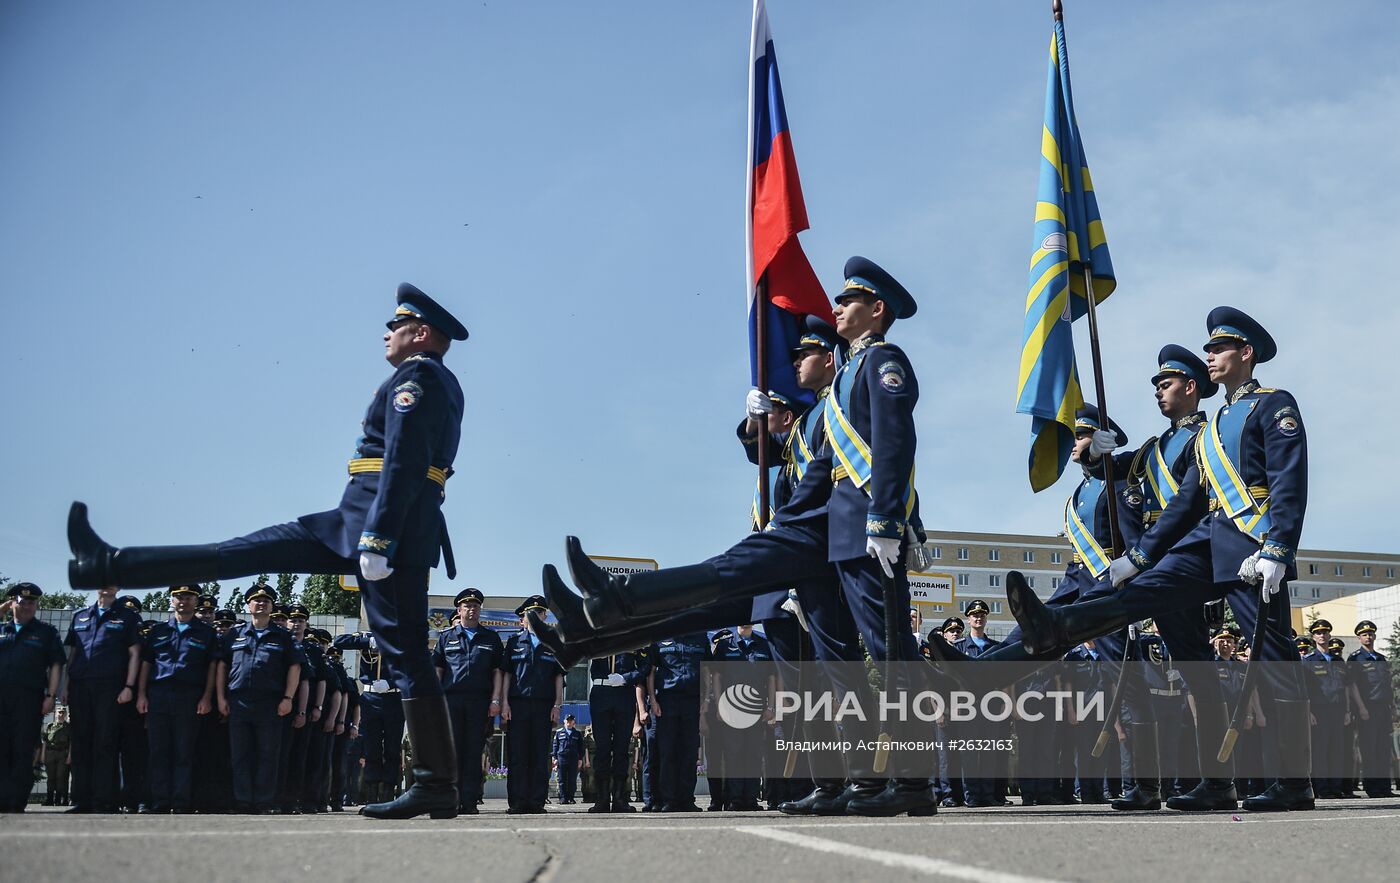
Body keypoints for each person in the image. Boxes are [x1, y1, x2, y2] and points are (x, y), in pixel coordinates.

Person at [65, 282, 468, 820]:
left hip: (381, 535)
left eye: (394, 326)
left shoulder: (419, 378)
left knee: (408, 657)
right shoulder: (428, 379)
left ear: (419, 333)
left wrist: (378, 538)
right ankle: (108, 563)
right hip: (347, 525)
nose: (385, 334)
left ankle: (436, 785)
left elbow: (404, 459)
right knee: (239, 553)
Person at [1010, 307, 1312, 812]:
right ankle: (1057, 624)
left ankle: (1295, 782)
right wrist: (1140, 556)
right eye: (1209, 349)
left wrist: (1277, 547)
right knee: (1136, 595)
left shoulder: (1272, 405)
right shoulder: (1213, 428)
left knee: (1274, 661)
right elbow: (1189, 500)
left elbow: (1288, 478)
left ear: (1246, 354)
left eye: (1218, 349)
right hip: (1205, 540)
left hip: (1251, 544)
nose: (1210, 355)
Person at [216, 584, 301, 813]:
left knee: (268, 754)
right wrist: (221, 697)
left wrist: (288, 698)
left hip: (270, 702)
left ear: (272, 606)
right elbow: (222, 665)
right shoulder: (235, 633)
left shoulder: (283, 636)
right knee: (240, 754)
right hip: (238, 701)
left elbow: (294, 667)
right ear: (248, 605)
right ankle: (242, 801)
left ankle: (264, 801)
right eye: (256, 600)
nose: (261, 604)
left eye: (266, 601)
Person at [136, 583, 221, 813]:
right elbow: (147, 664)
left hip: (190, 697)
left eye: (189, 597)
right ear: (172, 600)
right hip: (159, 695)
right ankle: (160, 801)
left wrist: (207, 697)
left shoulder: (206, 632)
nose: (183, 601)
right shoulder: (158, 631)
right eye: (179, 597)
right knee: (158, 751)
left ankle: (181, 801)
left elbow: (212, 667)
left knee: (184, 751)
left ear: (196, 602)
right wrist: (142, 694)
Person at [61, 583, 142, 813]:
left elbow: (134, 654)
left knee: (105, 743)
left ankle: (104, 799)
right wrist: (66, 686)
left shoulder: (127, 616)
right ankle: (81, 799)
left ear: (118, 587)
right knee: (81, 742)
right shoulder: (80, 616)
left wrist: (129, 686)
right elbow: (74, 654)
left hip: (110, 687)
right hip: (80, 687)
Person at [432, 587, 504, 814]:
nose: (471, 610)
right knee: (452, 752)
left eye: (475, 606)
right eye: (467, 606)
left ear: (480, 609)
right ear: (459, 609)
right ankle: (450, 799)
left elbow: (497, 673)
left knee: (474, 753)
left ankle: (470, 801)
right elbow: (438, 670)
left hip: (479, 702)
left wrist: (495, 700)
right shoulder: (446, 637)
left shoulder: (491, 638)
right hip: (450, 701)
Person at [0, 583, 65, 812]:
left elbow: (56, 665)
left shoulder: (46, 632)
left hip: (29, 700)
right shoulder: (2, 628)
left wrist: (51, 695)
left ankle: (16, 801)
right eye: (22, 601)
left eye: (32, 602)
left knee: (23, 749)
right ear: (12, 603)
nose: (27, 606)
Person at [501, 596, 565, 814]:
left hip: (543, 706)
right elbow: (507, 675)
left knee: (540, 755)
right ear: (523, 619)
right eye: (531, 614)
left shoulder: (554, 642)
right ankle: (517, 802)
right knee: (518, 755)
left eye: (540, 613)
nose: (536, 616)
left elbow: (559, 677)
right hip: (517, 705)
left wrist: (557, 705)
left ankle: (537, 801)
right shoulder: (513, 643)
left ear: (545, 616)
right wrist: (503, 704)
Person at [335, 628, 406, 808]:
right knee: (371, 748)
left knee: (392, 748)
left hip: (394, 698)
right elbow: (339, 642)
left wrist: (391, 683)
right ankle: (371, 797)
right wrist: (367, 642)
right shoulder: (366, 635)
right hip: (371, 698)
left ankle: (388, 796)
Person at [647, 632, 709, 812]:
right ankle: (669, 799)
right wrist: (653, 700)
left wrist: (705, 701)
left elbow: (706, 671)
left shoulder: (700, 637)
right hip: (667, 701)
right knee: (668, 752)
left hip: (693, 700)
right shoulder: (659, 639)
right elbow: (651, 671)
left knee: (689, 753)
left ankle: (687, 799)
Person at [585, 646, 648, 813]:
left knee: (621, 749)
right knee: (602, 749)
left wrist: (625, 677)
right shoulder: (600, 635)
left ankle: (620, 798)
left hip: (624, 692)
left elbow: (644, 667)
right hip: (601, 692)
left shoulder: (635, 640)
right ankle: (602, 799)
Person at [1347, 621, 1396, 797]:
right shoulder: (1355, 658)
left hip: (1383, 708)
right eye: (1364, 634)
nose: (1368, 637)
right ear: (1359, 638)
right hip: (1367, 708)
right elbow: (1352, 686)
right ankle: (1373, 787)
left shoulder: (1381, 658)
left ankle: (1384, 787)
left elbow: (1387, 685)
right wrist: (1361, 708)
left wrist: (1392, 708)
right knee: (1370, 748)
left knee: (1383, 748)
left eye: (1370, 634)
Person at [1301, 620, 1347, 799]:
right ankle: (1322, 788)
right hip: (1319, 712)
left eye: (1325, 632)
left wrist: (1347, 711)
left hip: (1338, 710)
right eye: (1318, 632)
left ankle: (1335, 788)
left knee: (1337, 750)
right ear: (1313, 637)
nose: (1322, 635)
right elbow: (1305, 690)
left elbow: (1346, 687)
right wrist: (1309, 712)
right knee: (1320, 751)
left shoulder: (1337, 660)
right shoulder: (1309, 661)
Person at [42, 705, 72, 806]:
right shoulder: (50, 726)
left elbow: (71, 743)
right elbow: (45, 742)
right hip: (50, 754)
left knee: (61, 777)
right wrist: (43, 755)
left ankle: (58, 799)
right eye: (59, 712)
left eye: (63, 713)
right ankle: (49, 799)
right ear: (55, 714)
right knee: (50, 777)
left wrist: (69, 757)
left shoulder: (69, 727)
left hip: (62, 754)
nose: (60, 714)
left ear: (65, 714)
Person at [552, 714, 585, 804]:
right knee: (561, 780)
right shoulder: (559, 733)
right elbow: (555, 746)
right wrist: (554, 758)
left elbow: (581, 747)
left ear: (574, 722)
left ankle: (571, 798)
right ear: (564, 721)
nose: (569, 723)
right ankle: (562, 798)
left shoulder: (577, 733)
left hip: (573, 759)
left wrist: (580, 759)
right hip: (561, 758)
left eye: (571, 721)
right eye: (568, 721)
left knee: (572, 780)